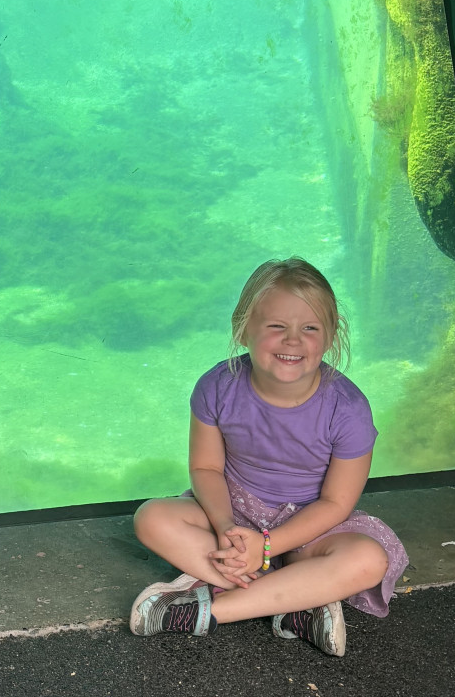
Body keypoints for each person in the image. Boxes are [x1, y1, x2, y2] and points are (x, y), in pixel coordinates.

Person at [129, 257, 408, 653]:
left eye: (309, 328)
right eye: (277, 326)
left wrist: (265, 547)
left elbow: (336, 503)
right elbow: (206, 468)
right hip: (235, 514)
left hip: (310, 531)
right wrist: (226, 529)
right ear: (243, 329)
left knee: (367, 560)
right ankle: (296, 600)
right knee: (151, 518)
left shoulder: (349, 409)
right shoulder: (217, 386)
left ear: (331, 336)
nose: (292, 341)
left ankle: (206, 611)